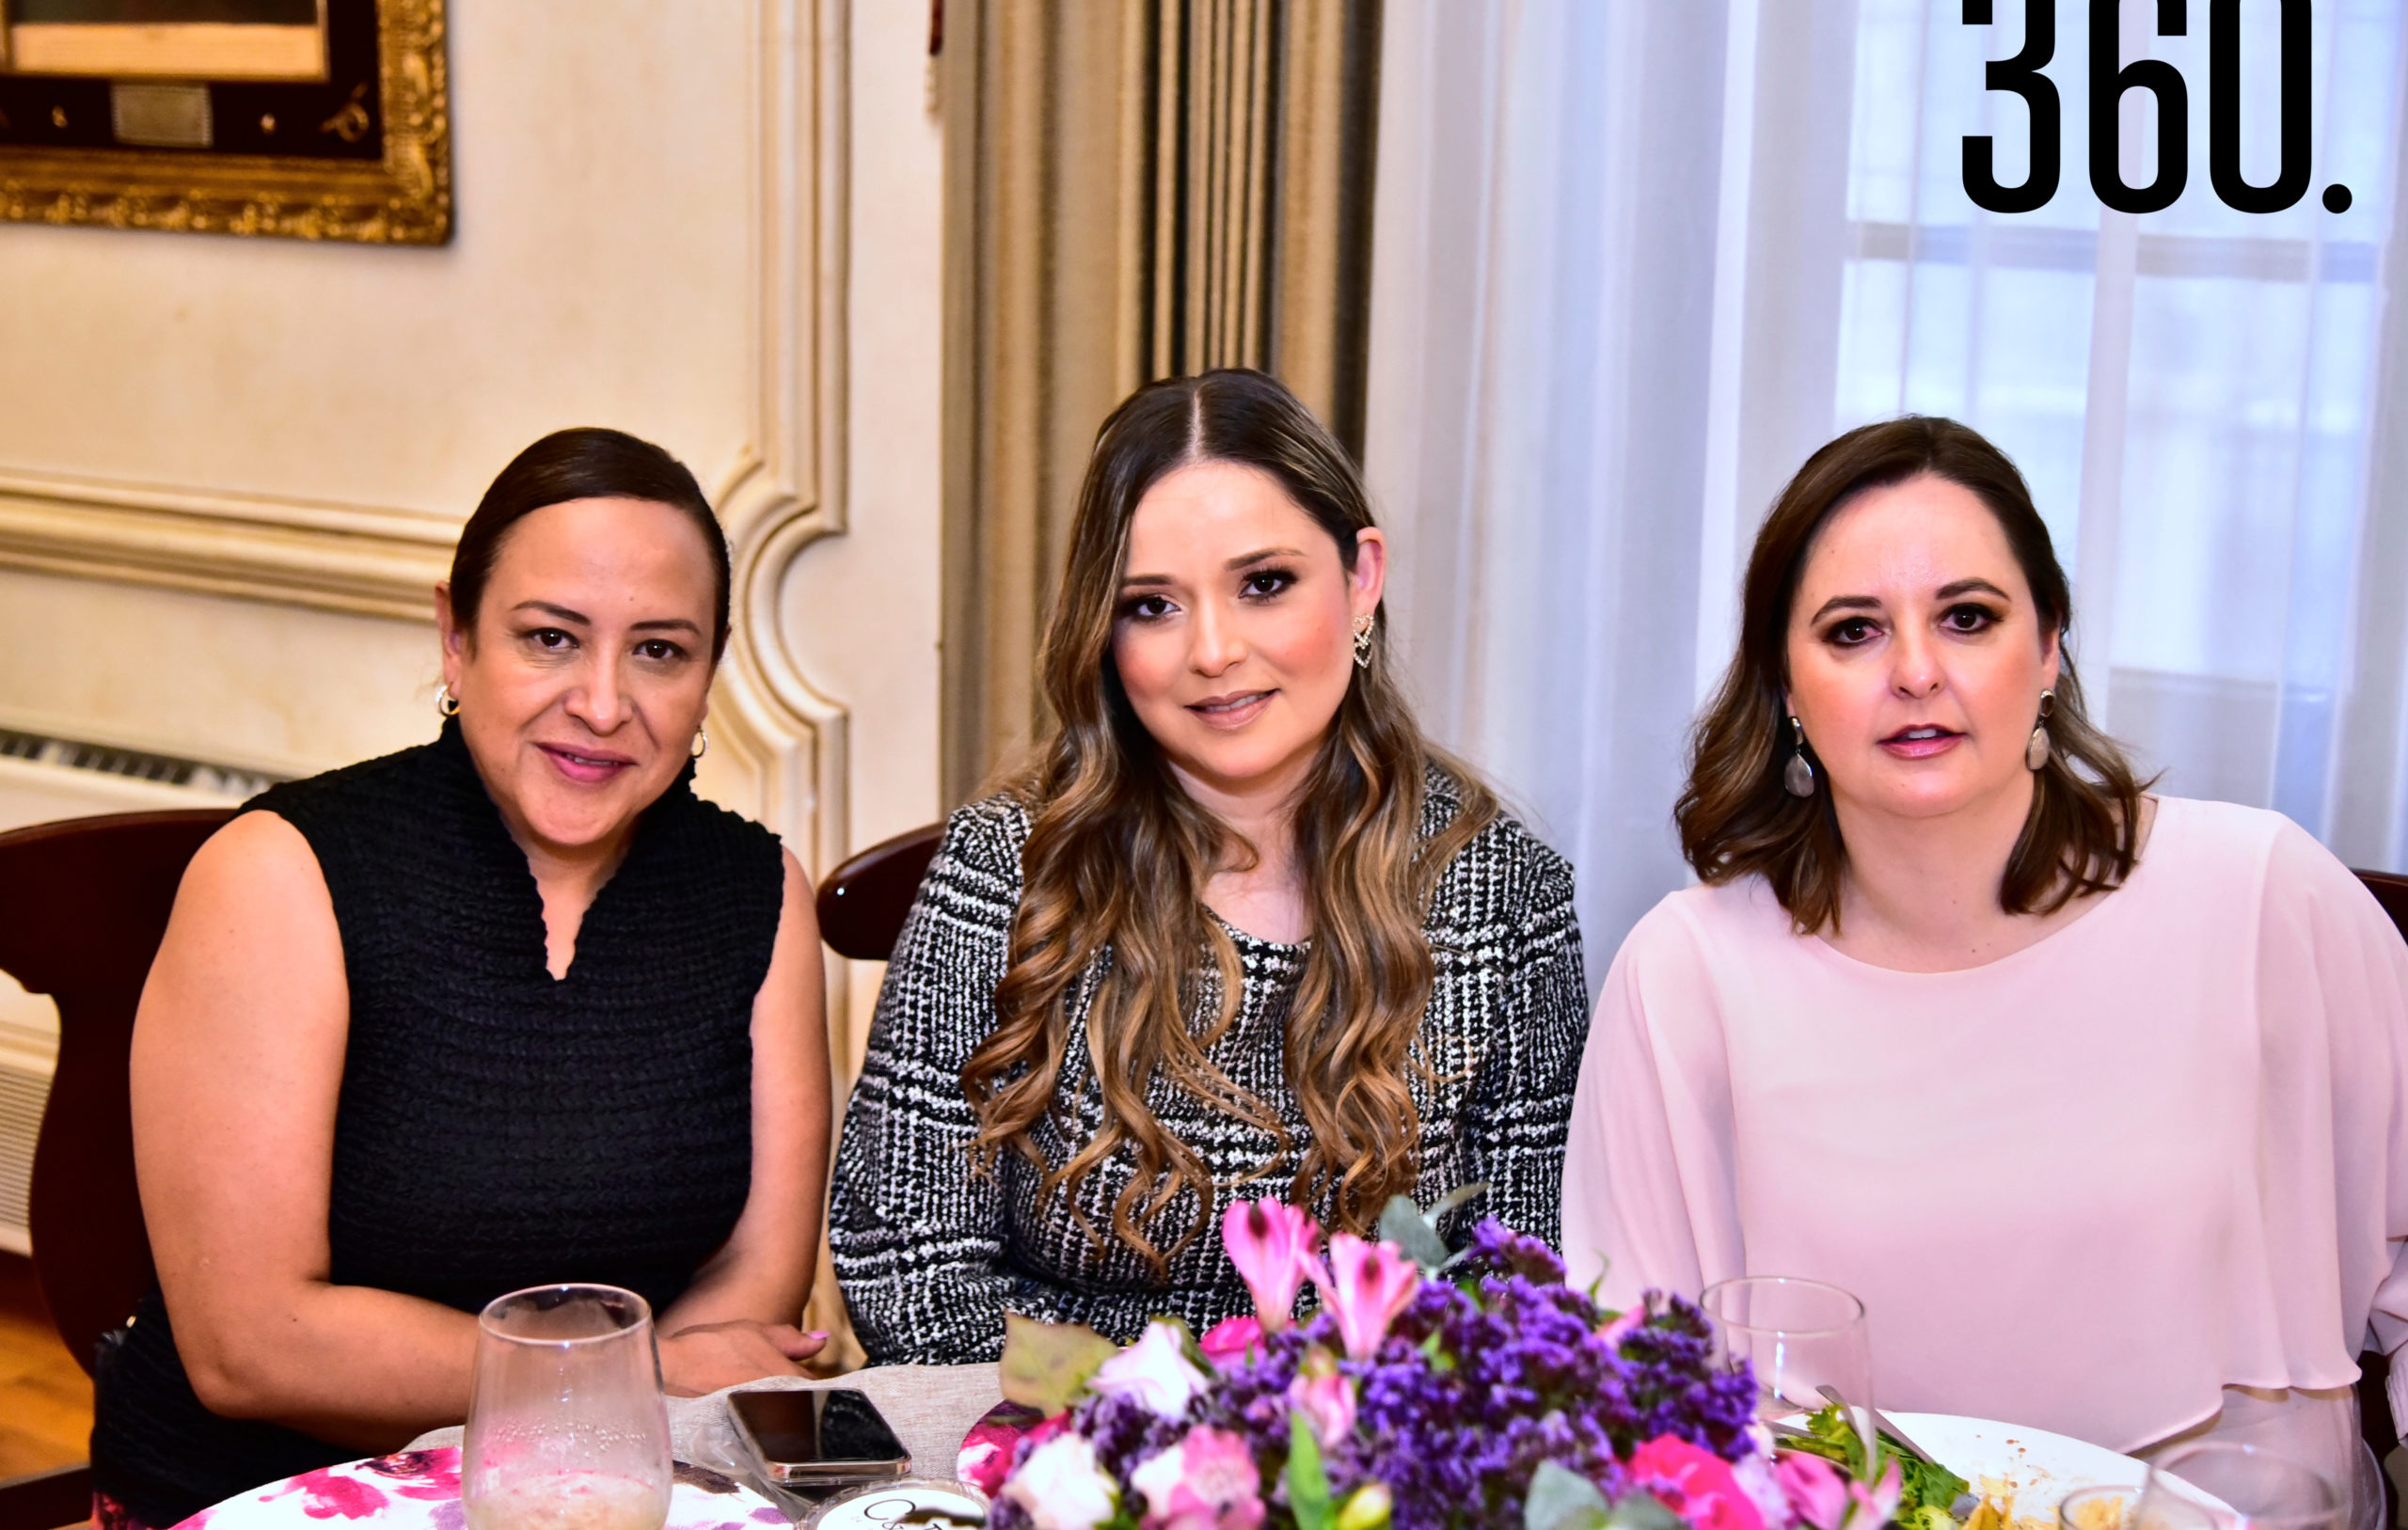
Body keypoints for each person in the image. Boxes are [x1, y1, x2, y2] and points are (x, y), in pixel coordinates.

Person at [1562, 416, 2408, 1516]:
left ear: (2049, 646)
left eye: (1967, 617)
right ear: (1782, 684)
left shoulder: (2263, 899)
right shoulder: (1685, 976)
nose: (1916, 672)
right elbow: (1643, 1409)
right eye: (1853, 630)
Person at [91, 430, 833, 1529]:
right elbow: (249, 1345)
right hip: (262, 1496)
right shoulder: (282, 874)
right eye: (549, 637)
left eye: (659, 651)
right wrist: (634, 1374)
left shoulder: (757, 891)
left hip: (609, 1498)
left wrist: (629, 1396)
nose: (600, 701)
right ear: (455, 635)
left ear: (709, 671)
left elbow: (752, 1284)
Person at [829, 369, 1588, 1364]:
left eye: (1264, 583)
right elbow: (906, 1274)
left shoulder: (1506, 894)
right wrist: (1158, 1431)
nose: (1214, 650)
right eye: (1152, 605)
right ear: (1103, 633)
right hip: (1047, 1465)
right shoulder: (1002, 865)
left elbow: (1516, 1286)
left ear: (1361, 577)